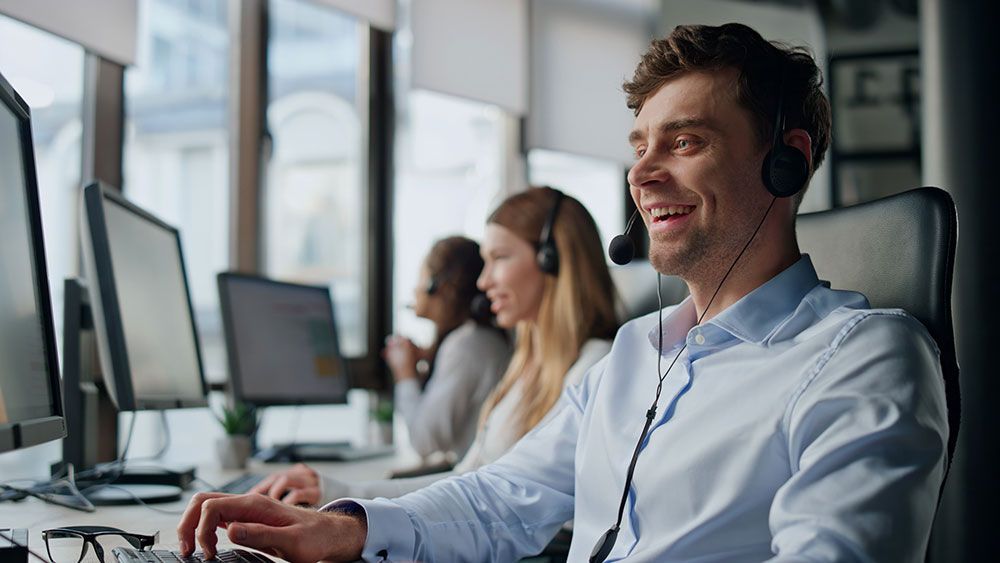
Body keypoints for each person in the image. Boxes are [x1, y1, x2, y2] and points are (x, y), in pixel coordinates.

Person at [177, 23, 949, 562]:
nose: (643, 174)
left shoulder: (866, 356)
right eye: (640, 147)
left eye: (685, 142)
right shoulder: (629, 357)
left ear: (787, 161)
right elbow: (501, 496)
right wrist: (344, 528)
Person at [245, 187, 619, 507]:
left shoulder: (594, 368)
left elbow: (499, 500)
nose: (485, 281)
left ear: (552, 260)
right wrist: (340, 495)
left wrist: (346, 497)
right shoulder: (527, 369)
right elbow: (466, 480)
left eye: (500, 259)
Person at [386, 235, 510, 461]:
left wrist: (405, 374)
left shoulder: (466, 346)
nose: (415, 289)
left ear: (437, 286)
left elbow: (424, 442)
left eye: (421, 277)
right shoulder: (478, 339)